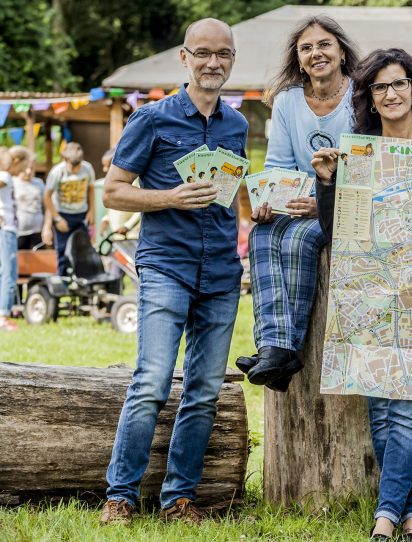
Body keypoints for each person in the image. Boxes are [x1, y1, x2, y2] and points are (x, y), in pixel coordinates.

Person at [313, 47, 412, 542]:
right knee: (381, 405)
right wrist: (326, 182)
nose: (391, 93)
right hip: (374, 291)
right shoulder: (358, 151)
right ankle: (410, 513)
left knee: (406, 403)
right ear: (370, 98)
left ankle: (385, 517)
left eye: (399, 83)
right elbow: (338, 231)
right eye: (380, 87)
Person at [99, 18, 247, 526]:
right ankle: (119, 495)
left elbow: (231, 195)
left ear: (232, 60)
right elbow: (114, 190)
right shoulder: (152, 118)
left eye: (222, 54)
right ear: (184, 57)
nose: (213, 63)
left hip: (223, 271)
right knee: (152, 381)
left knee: (204, 391)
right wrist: (169, 197)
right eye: (202, 53)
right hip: (166, 265)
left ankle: (177, 499)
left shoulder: (237, 125)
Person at [235, 15, 359, 391]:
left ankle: (283, 349)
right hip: (299, 202)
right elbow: (278, 166)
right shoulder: (288, 101)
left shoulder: (361, 95)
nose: (315, 53)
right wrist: (269, 202)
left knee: (299, 241)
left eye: (323, 45)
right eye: (306, 48)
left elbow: (368, 164)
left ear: (340, 51)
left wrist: (322, 200)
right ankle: (274, 346)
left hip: (345, 204)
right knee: (261, 235)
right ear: (298, 58)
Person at [43, 141, 95, 276]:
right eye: (73, 166)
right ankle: (63, 280)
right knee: (63, 250)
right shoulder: (57, 172)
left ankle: (82, 279)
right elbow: (47, 196)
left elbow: (91, 189)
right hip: (63, 215)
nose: (76, 169)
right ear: (64, 159)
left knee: (82, 249)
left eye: (78, 166)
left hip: (81, 214)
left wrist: (91, 211)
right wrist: (57, 218)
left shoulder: (87, 169)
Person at [0, 147, 22, 331]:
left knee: (4, 272)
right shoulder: (5, 176)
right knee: (9, 272)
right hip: (6, 229)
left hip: (7, 229)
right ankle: (3, 315)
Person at [99, 149, 141, 240]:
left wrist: (127, 226)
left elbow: (141, 209)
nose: (104, 169)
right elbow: (114, 207)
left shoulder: (133, 184)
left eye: (107, 166)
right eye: (103, 166)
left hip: (132, 236)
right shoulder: (110, 184)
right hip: (118, 237)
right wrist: (106, 219)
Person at [11, 147, 47, 250]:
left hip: (37, 231)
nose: (28, 171)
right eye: (26, 168)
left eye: (32, 168)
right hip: (18, 232)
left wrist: (46, 227)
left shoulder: (39, 183)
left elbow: (47, 206)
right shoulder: (12, 182)